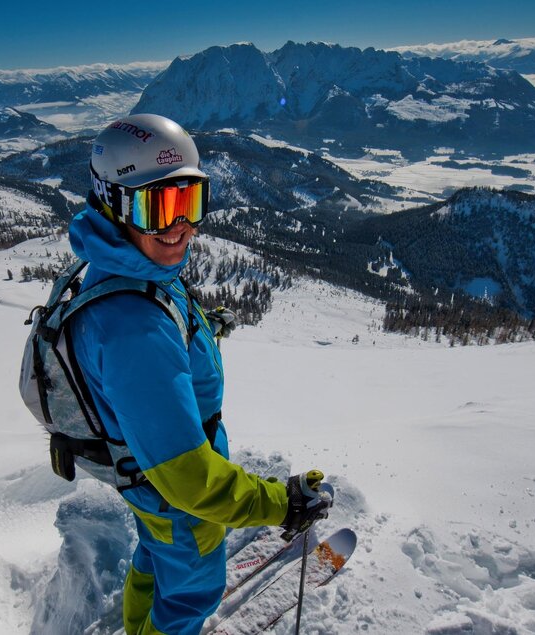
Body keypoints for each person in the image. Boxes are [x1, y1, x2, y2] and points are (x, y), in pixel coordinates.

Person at [66, 113, 330, 635]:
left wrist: (195, 330)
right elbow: (190, 480)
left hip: (146, 478)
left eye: (191, 203)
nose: (181, 227)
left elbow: (147, 344)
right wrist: (279, 503)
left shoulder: (124, 267)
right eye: (161, 206)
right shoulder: (135, 329)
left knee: (159, 550)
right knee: (194, 592)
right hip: (176, 491)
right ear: (114, 204)